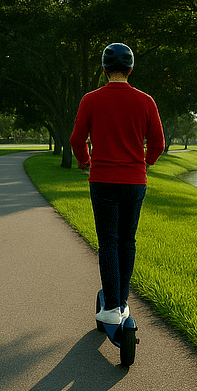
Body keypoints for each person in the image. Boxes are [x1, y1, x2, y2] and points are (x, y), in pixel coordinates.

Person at [70, 43, 165, 325]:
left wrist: (84, 161)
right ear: (131, 69)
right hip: (134, 182)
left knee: (108, 242)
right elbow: (158, 143)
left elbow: (76, 140)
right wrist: (147, 162)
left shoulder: (90, 99)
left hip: (102, 181)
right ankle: (122, 303)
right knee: (127, 241)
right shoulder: (146, 101)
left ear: (103, 70)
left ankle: (111, 306)